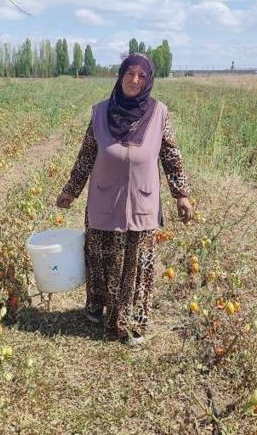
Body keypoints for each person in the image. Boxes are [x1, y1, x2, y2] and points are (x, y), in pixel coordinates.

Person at [56, 53, 192, 345]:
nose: (135, 80)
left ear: (149, 80)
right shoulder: (100, 112)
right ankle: (97, 306)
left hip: (141, 200)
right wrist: (71, 189)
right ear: (120, 76)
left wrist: (181, 194)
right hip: (104, 197)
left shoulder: (159, 114)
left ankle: (130, 321)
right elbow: (86, 156)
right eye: (129, 74)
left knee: (135, 262)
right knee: (100, 255)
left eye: (142, 76)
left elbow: (171, 155)